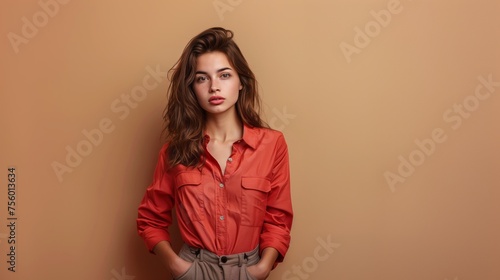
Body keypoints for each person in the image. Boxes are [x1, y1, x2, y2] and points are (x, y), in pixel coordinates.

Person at [137, 27, 293, 280]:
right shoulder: (174, 151)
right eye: (202, 78)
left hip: (249, 269)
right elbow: (150, 219)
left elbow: (278, 218)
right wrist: (178, 268)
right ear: (192, 88)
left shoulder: (272, 144)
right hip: (193, 268)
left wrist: (262, 268)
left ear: (241, 81)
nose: (213, 87)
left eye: (224, 75)